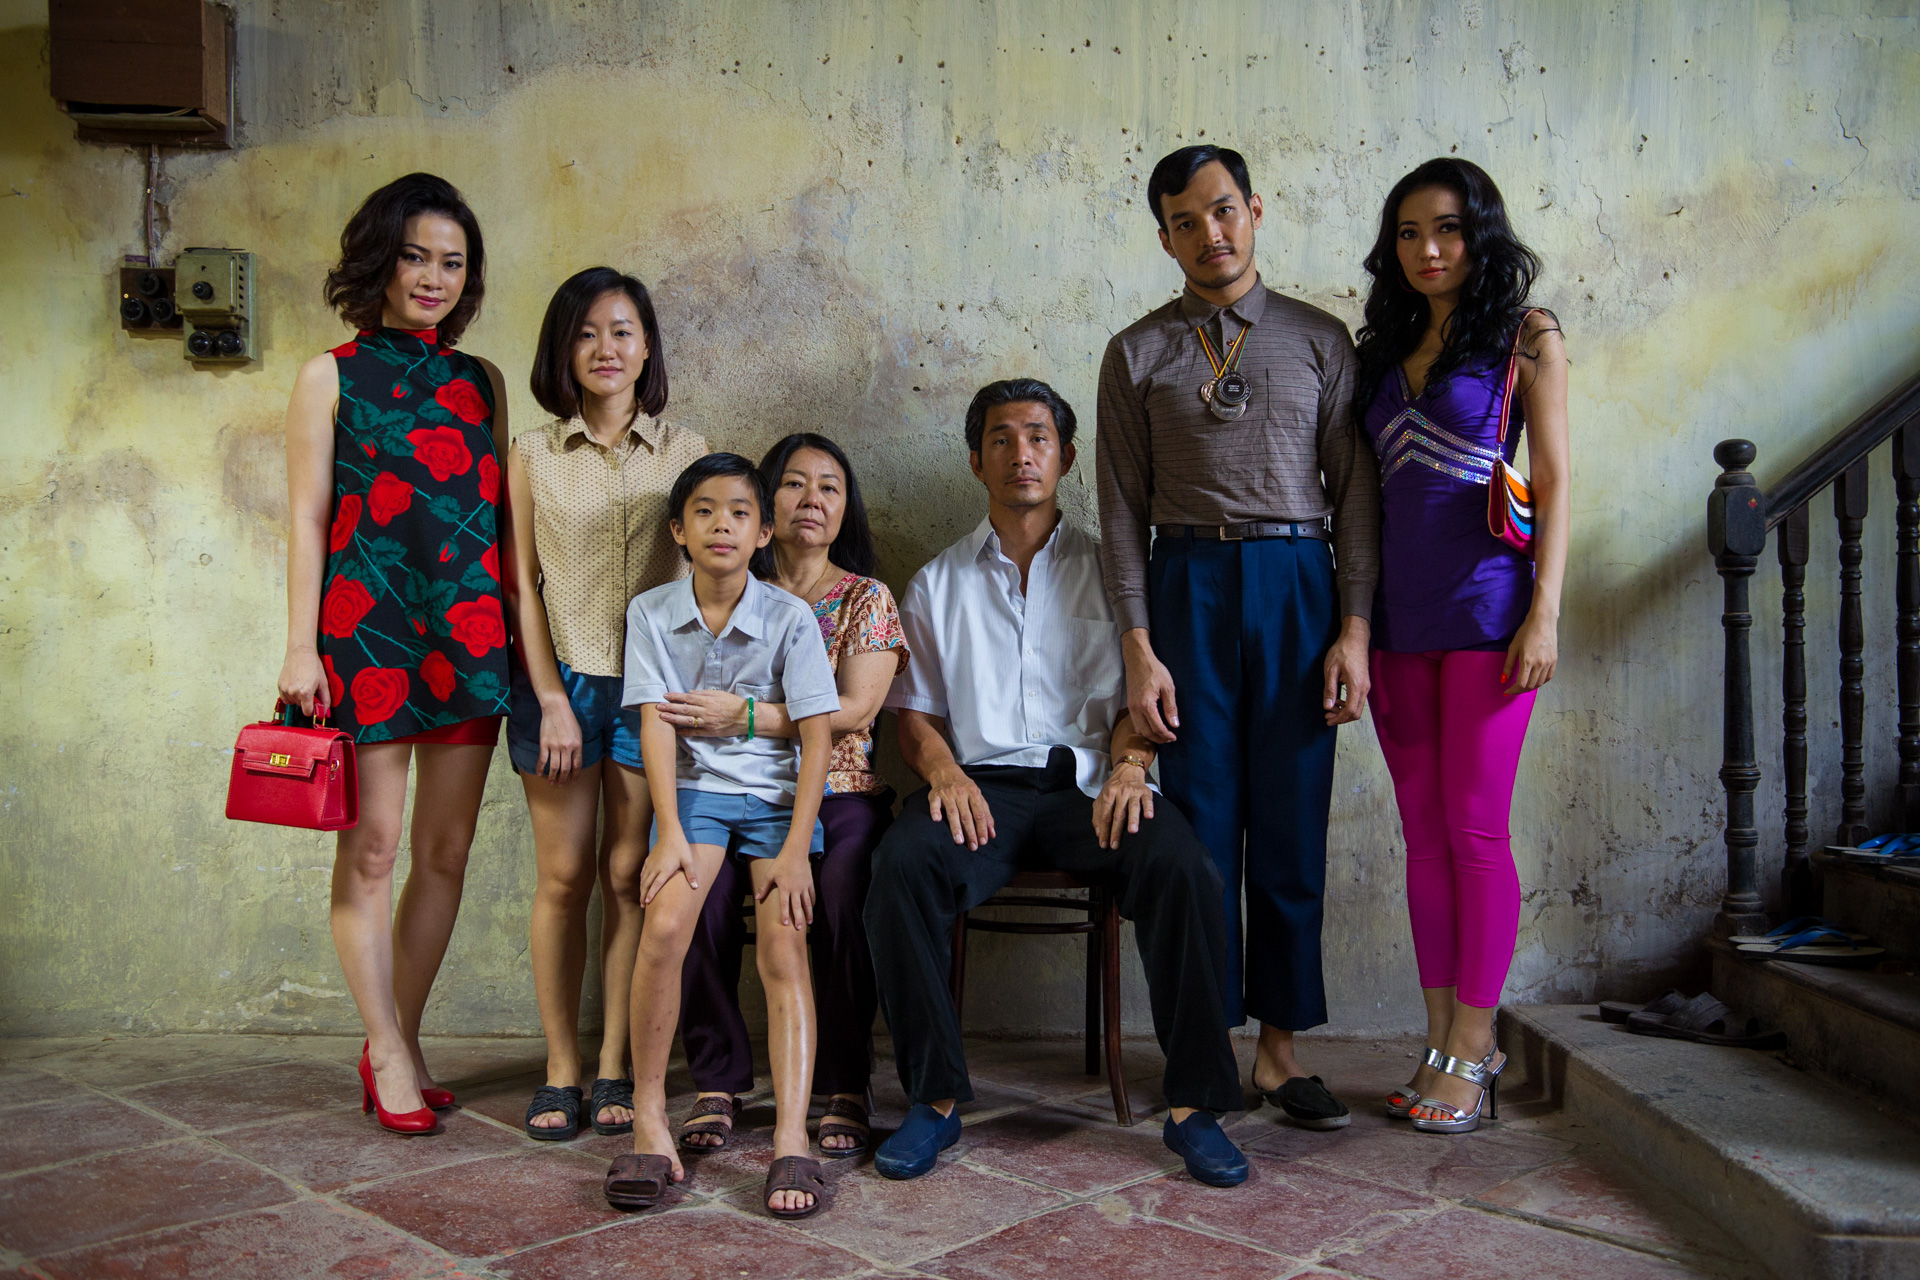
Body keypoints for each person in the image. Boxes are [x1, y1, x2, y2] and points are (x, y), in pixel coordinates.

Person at [867, 379, 1250, 1189]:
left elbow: (1133, 704)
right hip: (983, 788)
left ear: (1067, 457)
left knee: (1184, 865)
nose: (1021, 455)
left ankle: (1195, 1106)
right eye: (1001, 440)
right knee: (900, 865)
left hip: (1088, 787)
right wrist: (941, 772)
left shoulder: (1117, 575)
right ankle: (933, 1098)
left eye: (1038, 438)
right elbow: (913, 713)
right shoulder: (938, 582)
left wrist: (1127, 768)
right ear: (977, 462)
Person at [1095, 145, 1382, 1128]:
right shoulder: (1135, 353)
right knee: (1203, 826)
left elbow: (1357, 500)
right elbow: (1121, 512)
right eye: (1186, 219)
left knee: (1294, 821)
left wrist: (1354, 631)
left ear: (1255, 210)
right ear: (1165, 234)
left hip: (1300, 582)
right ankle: (1208, 1051)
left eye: (1224, 210)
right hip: (1188, 585)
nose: (1209, 234)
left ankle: (1281, 1051)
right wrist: (1138, 644)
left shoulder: (1318, 338)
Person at [276, 173, 509, 1135]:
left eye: (452, 263)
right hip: (364, 634)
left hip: (470, 633)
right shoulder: (327, 375)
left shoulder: (481, 381)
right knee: (372, 850)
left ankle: (398, 1041)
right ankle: (385, 1051)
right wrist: (299, 647)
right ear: (379, 256)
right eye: (416, 255)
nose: (433, 277)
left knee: (445, 852)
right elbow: (304, 519)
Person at [1353, 158, 1568, 1134]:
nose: (1427, 249)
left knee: (1476, 831)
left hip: (1489, 617)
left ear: (1480, 233)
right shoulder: (1380, 345)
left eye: (1445, 229)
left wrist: (1546, 611)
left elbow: (1556, 482)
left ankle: (1475, 1049)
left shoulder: (1529, 337)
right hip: (1397, 623)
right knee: (1425, 838)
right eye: (1407, 232)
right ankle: (1441, 1039)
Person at [605, 454, 840, 1218]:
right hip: (698, 797)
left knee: (784, 943)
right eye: (704, 511)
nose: (722, 525)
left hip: (775, 804)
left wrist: (801, 848)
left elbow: (816, 737)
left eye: (740, 512)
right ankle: (647, 1120)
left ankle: (793, 1141)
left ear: (763, 531)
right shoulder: (650, 612)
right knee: (665, 923)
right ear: (679, 529)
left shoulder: (788, 617)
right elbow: (655, 727)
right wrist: (667, 831)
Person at [502, 267, 707, 1142]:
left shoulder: (688, 450)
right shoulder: (532, 454)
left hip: (653, 693)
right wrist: (549, 695)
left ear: (647, 345)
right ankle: (560, 1068)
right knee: (562, 879)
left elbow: (713, 573)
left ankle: (617, 1062)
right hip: (563, 679)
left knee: (628, 878)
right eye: (586, 333)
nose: (606, 349)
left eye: (622, 331)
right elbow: (521, 586)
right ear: (564, 349)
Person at [665, 434, 907, 1158]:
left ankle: (841, 1081)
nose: (812, 500)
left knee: (837, 886)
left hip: (839, 791)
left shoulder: (865, 598)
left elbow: (856, 712)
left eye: (829, 488)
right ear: (767, 506)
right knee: (695, 892)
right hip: (732, 787)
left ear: (845, 509)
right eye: (795, 484)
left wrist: (746, 716)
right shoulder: (734, 588)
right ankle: (718, 1078)